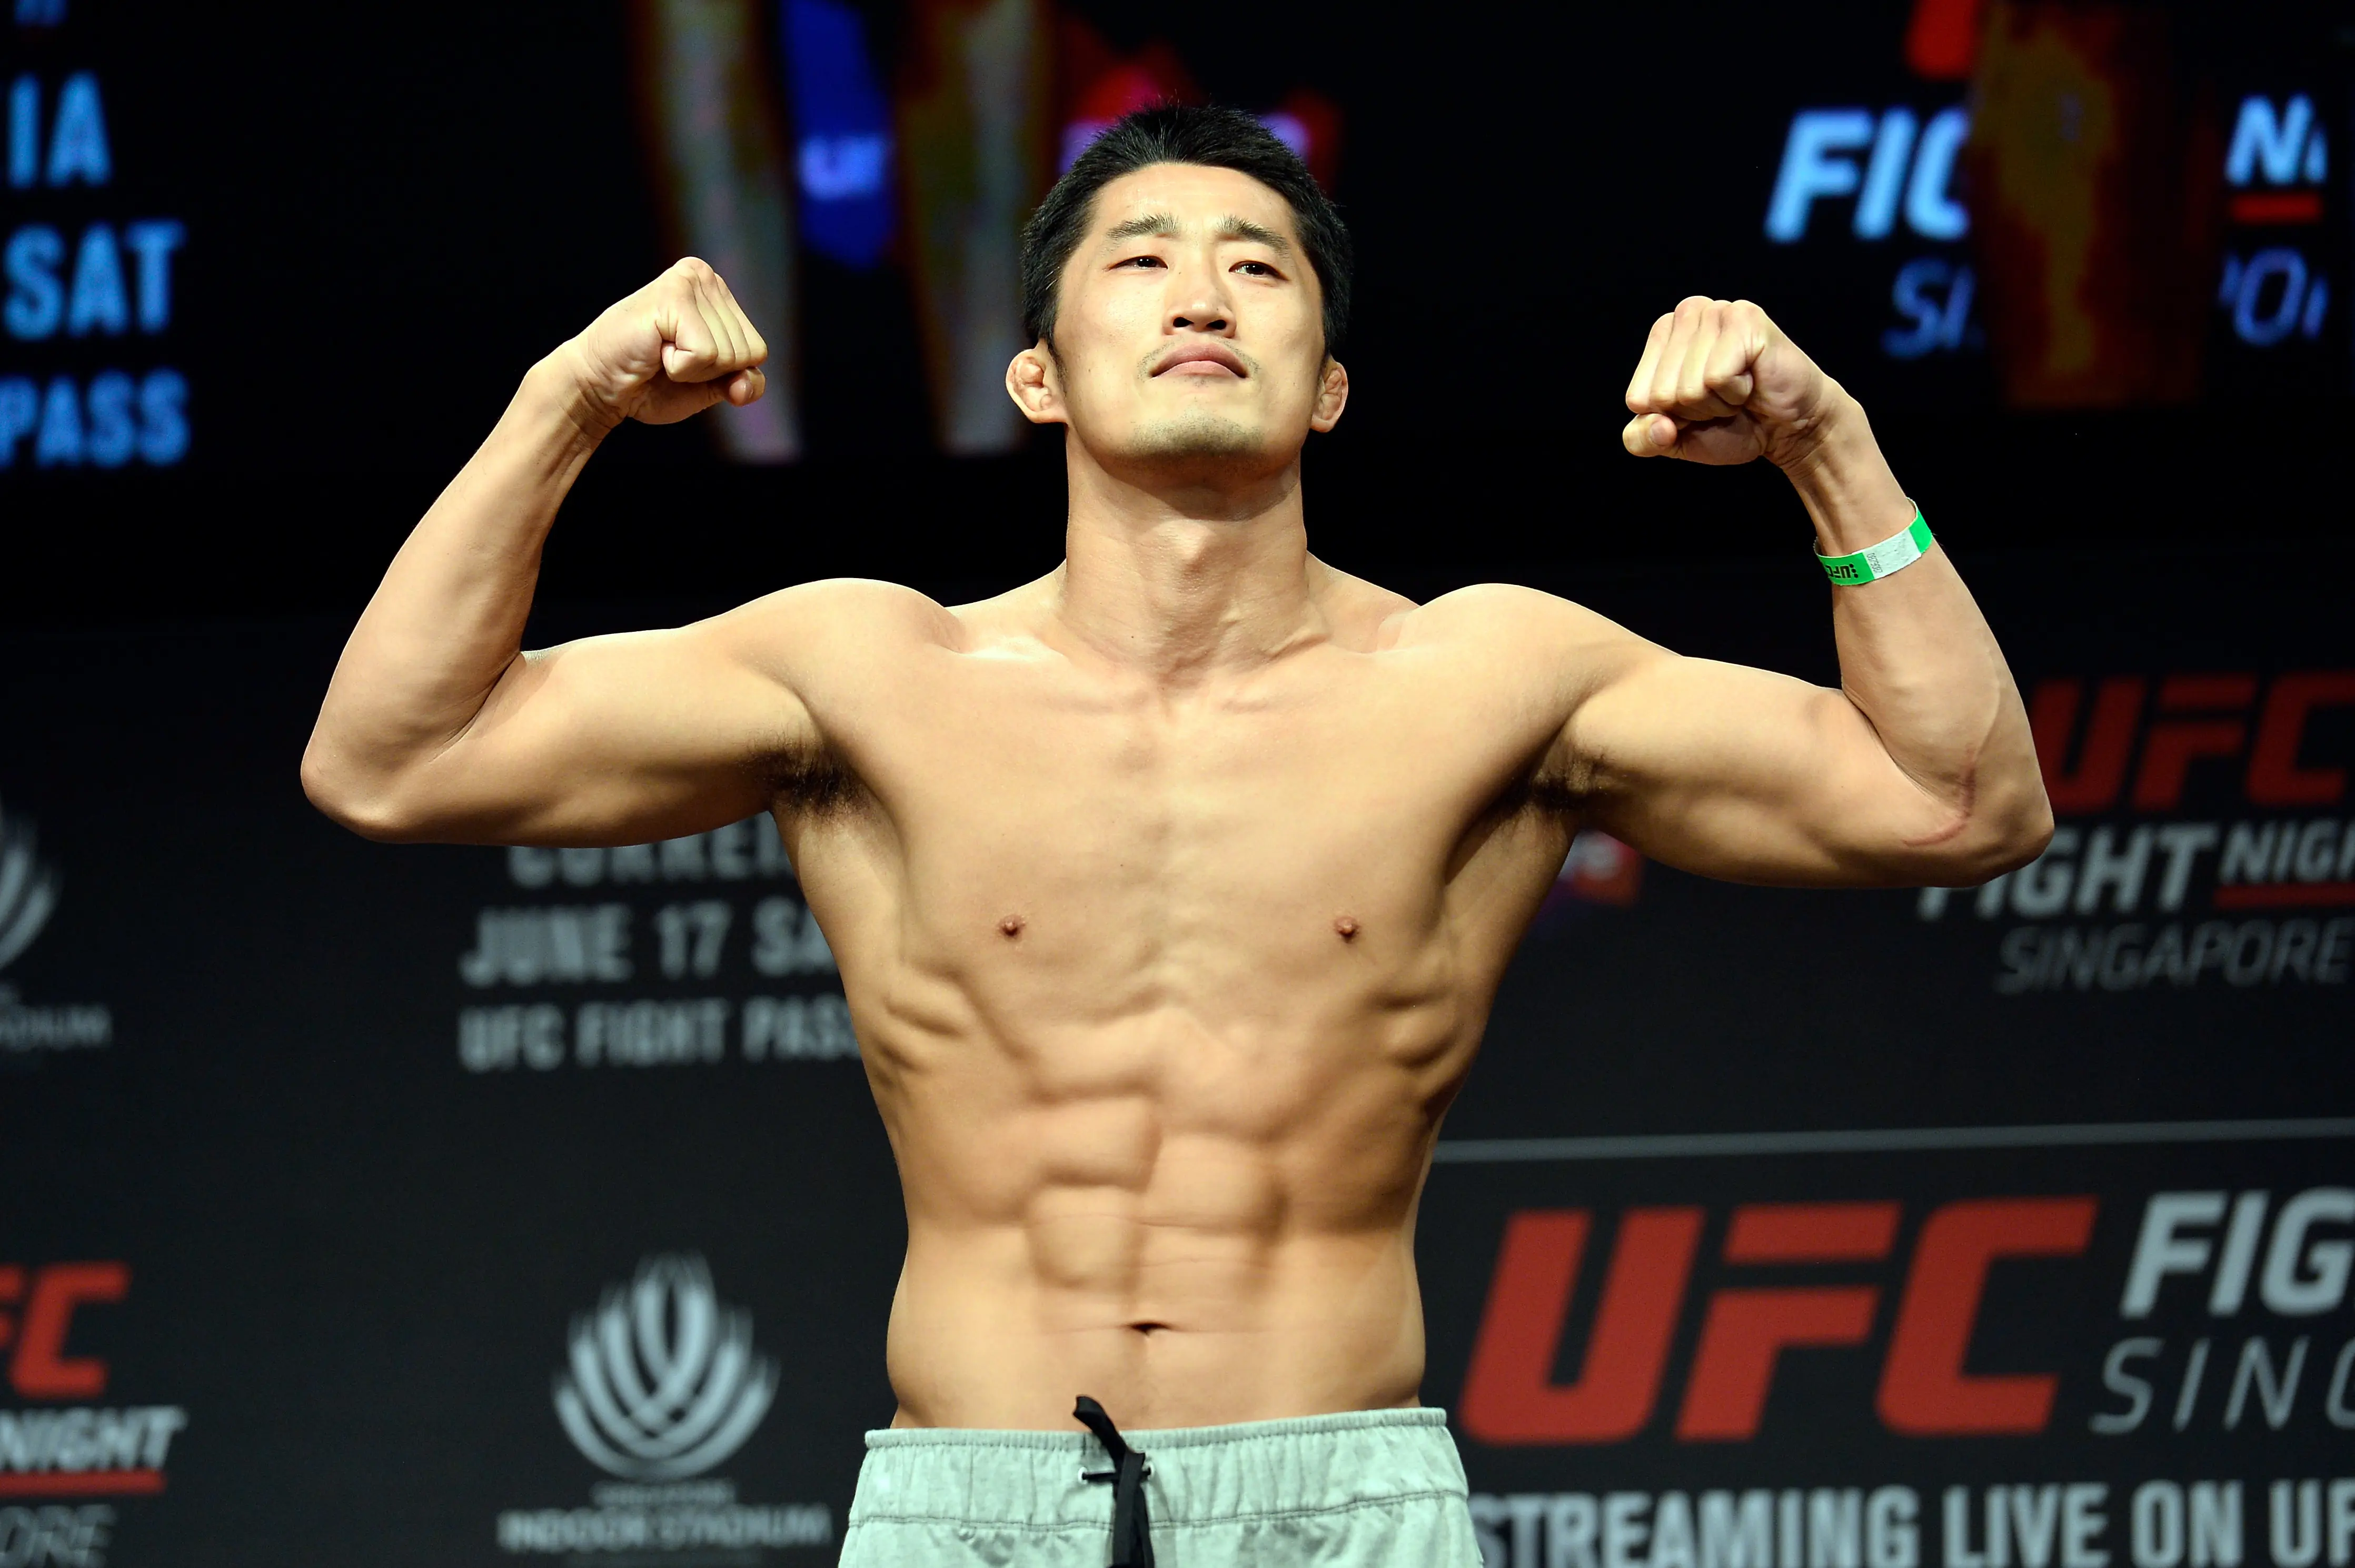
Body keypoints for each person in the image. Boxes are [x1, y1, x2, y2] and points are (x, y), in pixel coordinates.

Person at [303, 106, 2052, 1567]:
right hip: (968, 1506)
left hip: (1346, 1502)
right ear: (1041, 379)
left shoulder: (1494, 675)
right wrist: (569, 402)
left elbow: (1960, 800)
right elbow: (395, 755)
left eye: (1259, 266)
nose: (1201, 293)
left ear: (1332, 388)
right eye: (1138, 259)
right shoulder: (869, 668)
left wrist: (1829, 441)